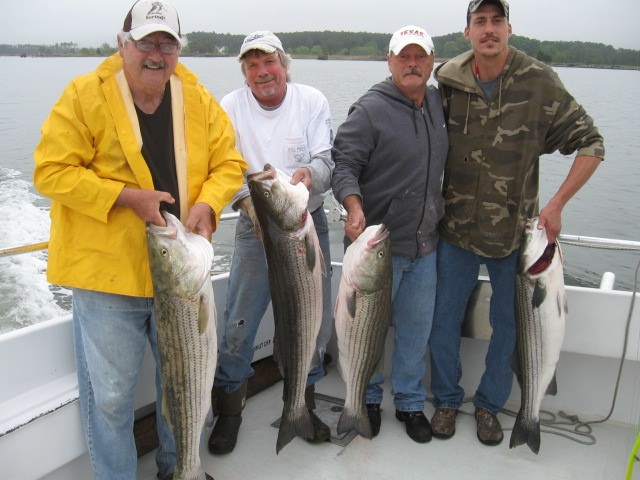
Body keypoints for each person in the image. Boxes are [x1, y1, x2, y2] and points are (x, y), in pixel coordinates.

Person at [32, 1, 247, 478]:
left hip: (180, 271)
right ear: (122, 44)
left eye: (166, 43)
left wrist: (208, 205)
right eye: (145, 42)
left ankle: (178, 469)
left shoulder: (196, 96)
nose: (156, 53)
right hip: (108, 277)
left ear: (178, 49)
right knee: (110, 397)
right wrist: (127, 197)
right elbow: (50, 171)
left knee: (184, 383)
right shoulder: (84, 94)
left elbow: (229, 162)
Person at [428, 0, 604, 446]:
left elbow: (591, 143)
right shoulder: (446, 80)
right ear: (467, 31)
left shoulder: (540, 82)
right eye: (480, 21)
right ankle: (447, 400)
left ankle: (488, 407)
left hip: (515, 236)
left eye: (497, 21)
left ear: (509, 28)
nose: (489, 29)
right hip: (455, 231)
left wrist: (558, 204)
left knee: (509, 326)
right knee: (442, 320)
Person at [208, 31, 335, 454]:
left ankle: (303, 406)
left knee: (310, 323)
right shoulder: (230, 106)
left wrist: (309, 176)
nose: (262, 73)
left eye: (269, 63)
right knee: (238, 324)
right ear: (245, 73)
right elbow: (225, 168)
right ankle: (229, 413)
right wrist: (248, 204)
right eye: (252, 65)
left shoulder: (311, 100)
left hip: (305, 220)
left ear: (285, 65)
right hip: (253, 223)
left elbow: (325, 159)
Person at [331, 25, 448, 443]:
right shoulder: (369, 110)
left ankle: (411, 404)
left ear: (432, 62)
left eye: (420, 56)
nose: (412, 64)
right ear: (390, 60)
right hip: (378, 253)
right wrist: (354, 206)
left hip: (426, 246)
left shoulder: (438, 101)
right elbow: (343, 164)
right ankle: (366, 400)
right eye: (404, 56)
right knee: (370, 335)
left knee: (416, 333)